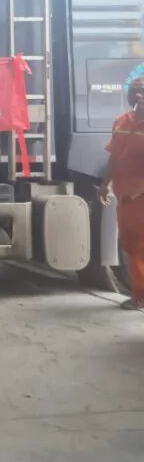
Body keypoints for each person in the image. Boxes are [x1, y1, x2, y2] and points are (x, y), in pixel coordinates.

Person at [98, 75, 144, 310]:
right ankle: (139, 295)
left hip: (140, 197)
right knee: (131, 247)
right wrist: (105, 185)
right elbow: (114, 156)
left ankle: (140, 297)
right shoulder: (121, 121)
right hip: (124, 197)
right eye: (135, 91)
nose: (139, 95)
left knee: (141, 248)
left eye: (142, 91)